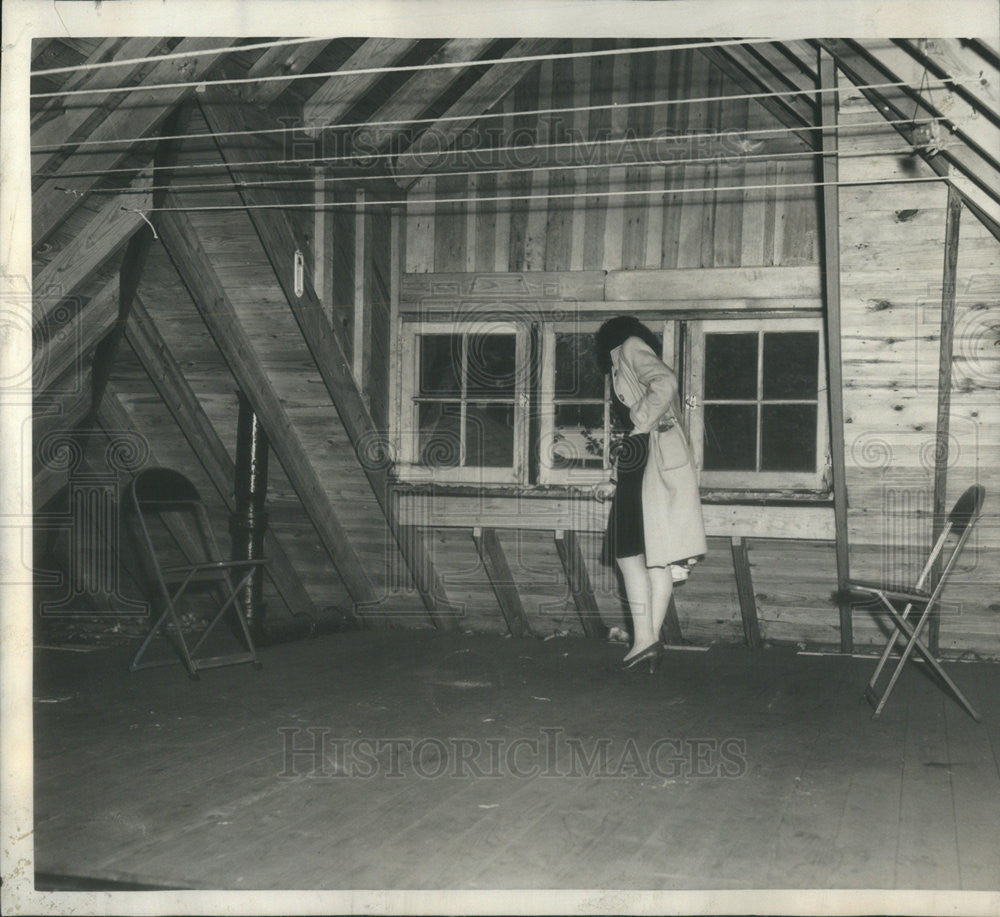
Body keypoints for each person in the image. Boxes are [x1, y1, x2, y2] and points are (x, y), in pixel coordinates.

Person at [593, 316, 707, 672]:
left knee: (629, 555)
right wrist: (614, 477)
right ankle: (647, 642)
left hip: (649, 461)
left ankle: (646, 640)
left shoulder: (626, 347)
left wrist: (639, 421)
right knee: (654, 557)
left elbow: (665, 383)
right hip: (647, 460)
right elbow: (637, 432)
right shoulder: (625, 355)